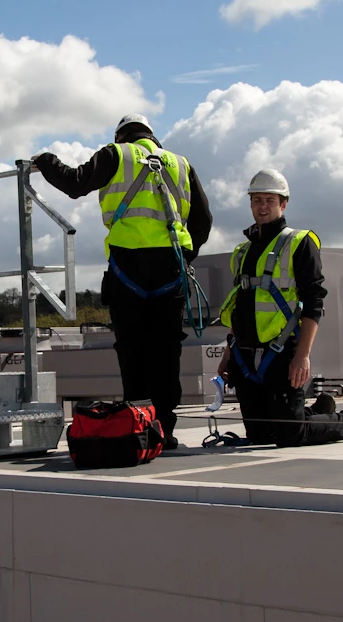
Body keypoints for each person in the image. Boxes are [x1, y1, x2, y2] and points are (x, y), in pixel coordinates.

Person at [32, 114, 212, 449]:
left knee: (133, 351)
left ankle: (139, 426)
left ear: (121, 136)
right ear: (152, 136)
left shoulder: (117, 154)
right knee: (165, 351)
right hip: (170, 271)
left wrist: (46, 161)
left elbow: (75, 183)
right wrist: (185, 256)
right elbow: (203, 220)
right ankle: (165, 429)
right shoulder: (180, 164)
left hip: (128, 269)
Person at [217, 168, 343, 447]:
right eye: (257, 200)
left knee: (292, 436)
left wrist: (302, 356)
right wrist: (229, 352)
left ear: (283, 204)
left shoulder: (298, 243)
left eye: (270, 200)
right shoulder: (243, 251)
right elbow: (239, 305)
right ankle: (319, 413)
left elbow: (314, 301)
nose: (262, 207)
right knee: (261, 435)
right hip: (244, 354)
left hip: (281, 352)